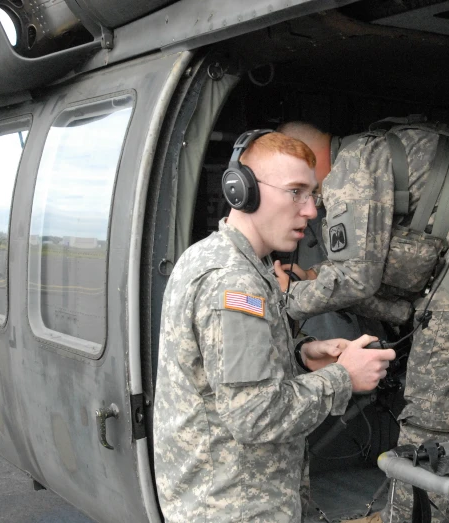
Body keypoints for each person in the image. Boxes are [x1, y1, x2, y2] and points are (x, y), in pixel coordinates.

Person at [277, 120, 449, 523]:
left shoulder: (349, 166)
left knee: (433, 412)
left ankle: (406, 518)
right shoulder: (370, 149)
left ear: (304, 160)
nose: (304, 205)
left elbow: (357, 279)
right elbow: (401, 297)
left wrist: (286, 300)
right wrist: (317, 281)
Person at [152, 131, 396, 523]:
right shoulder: (233, 281)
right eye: (295, 191)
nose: (311, 210)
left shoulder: (213, 256)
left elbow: (221, 373)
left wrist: (300, 356)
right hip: (237, 507)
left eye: (312, 194)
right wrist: (343, 377)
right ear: (242, 191)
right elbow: (255, 416)